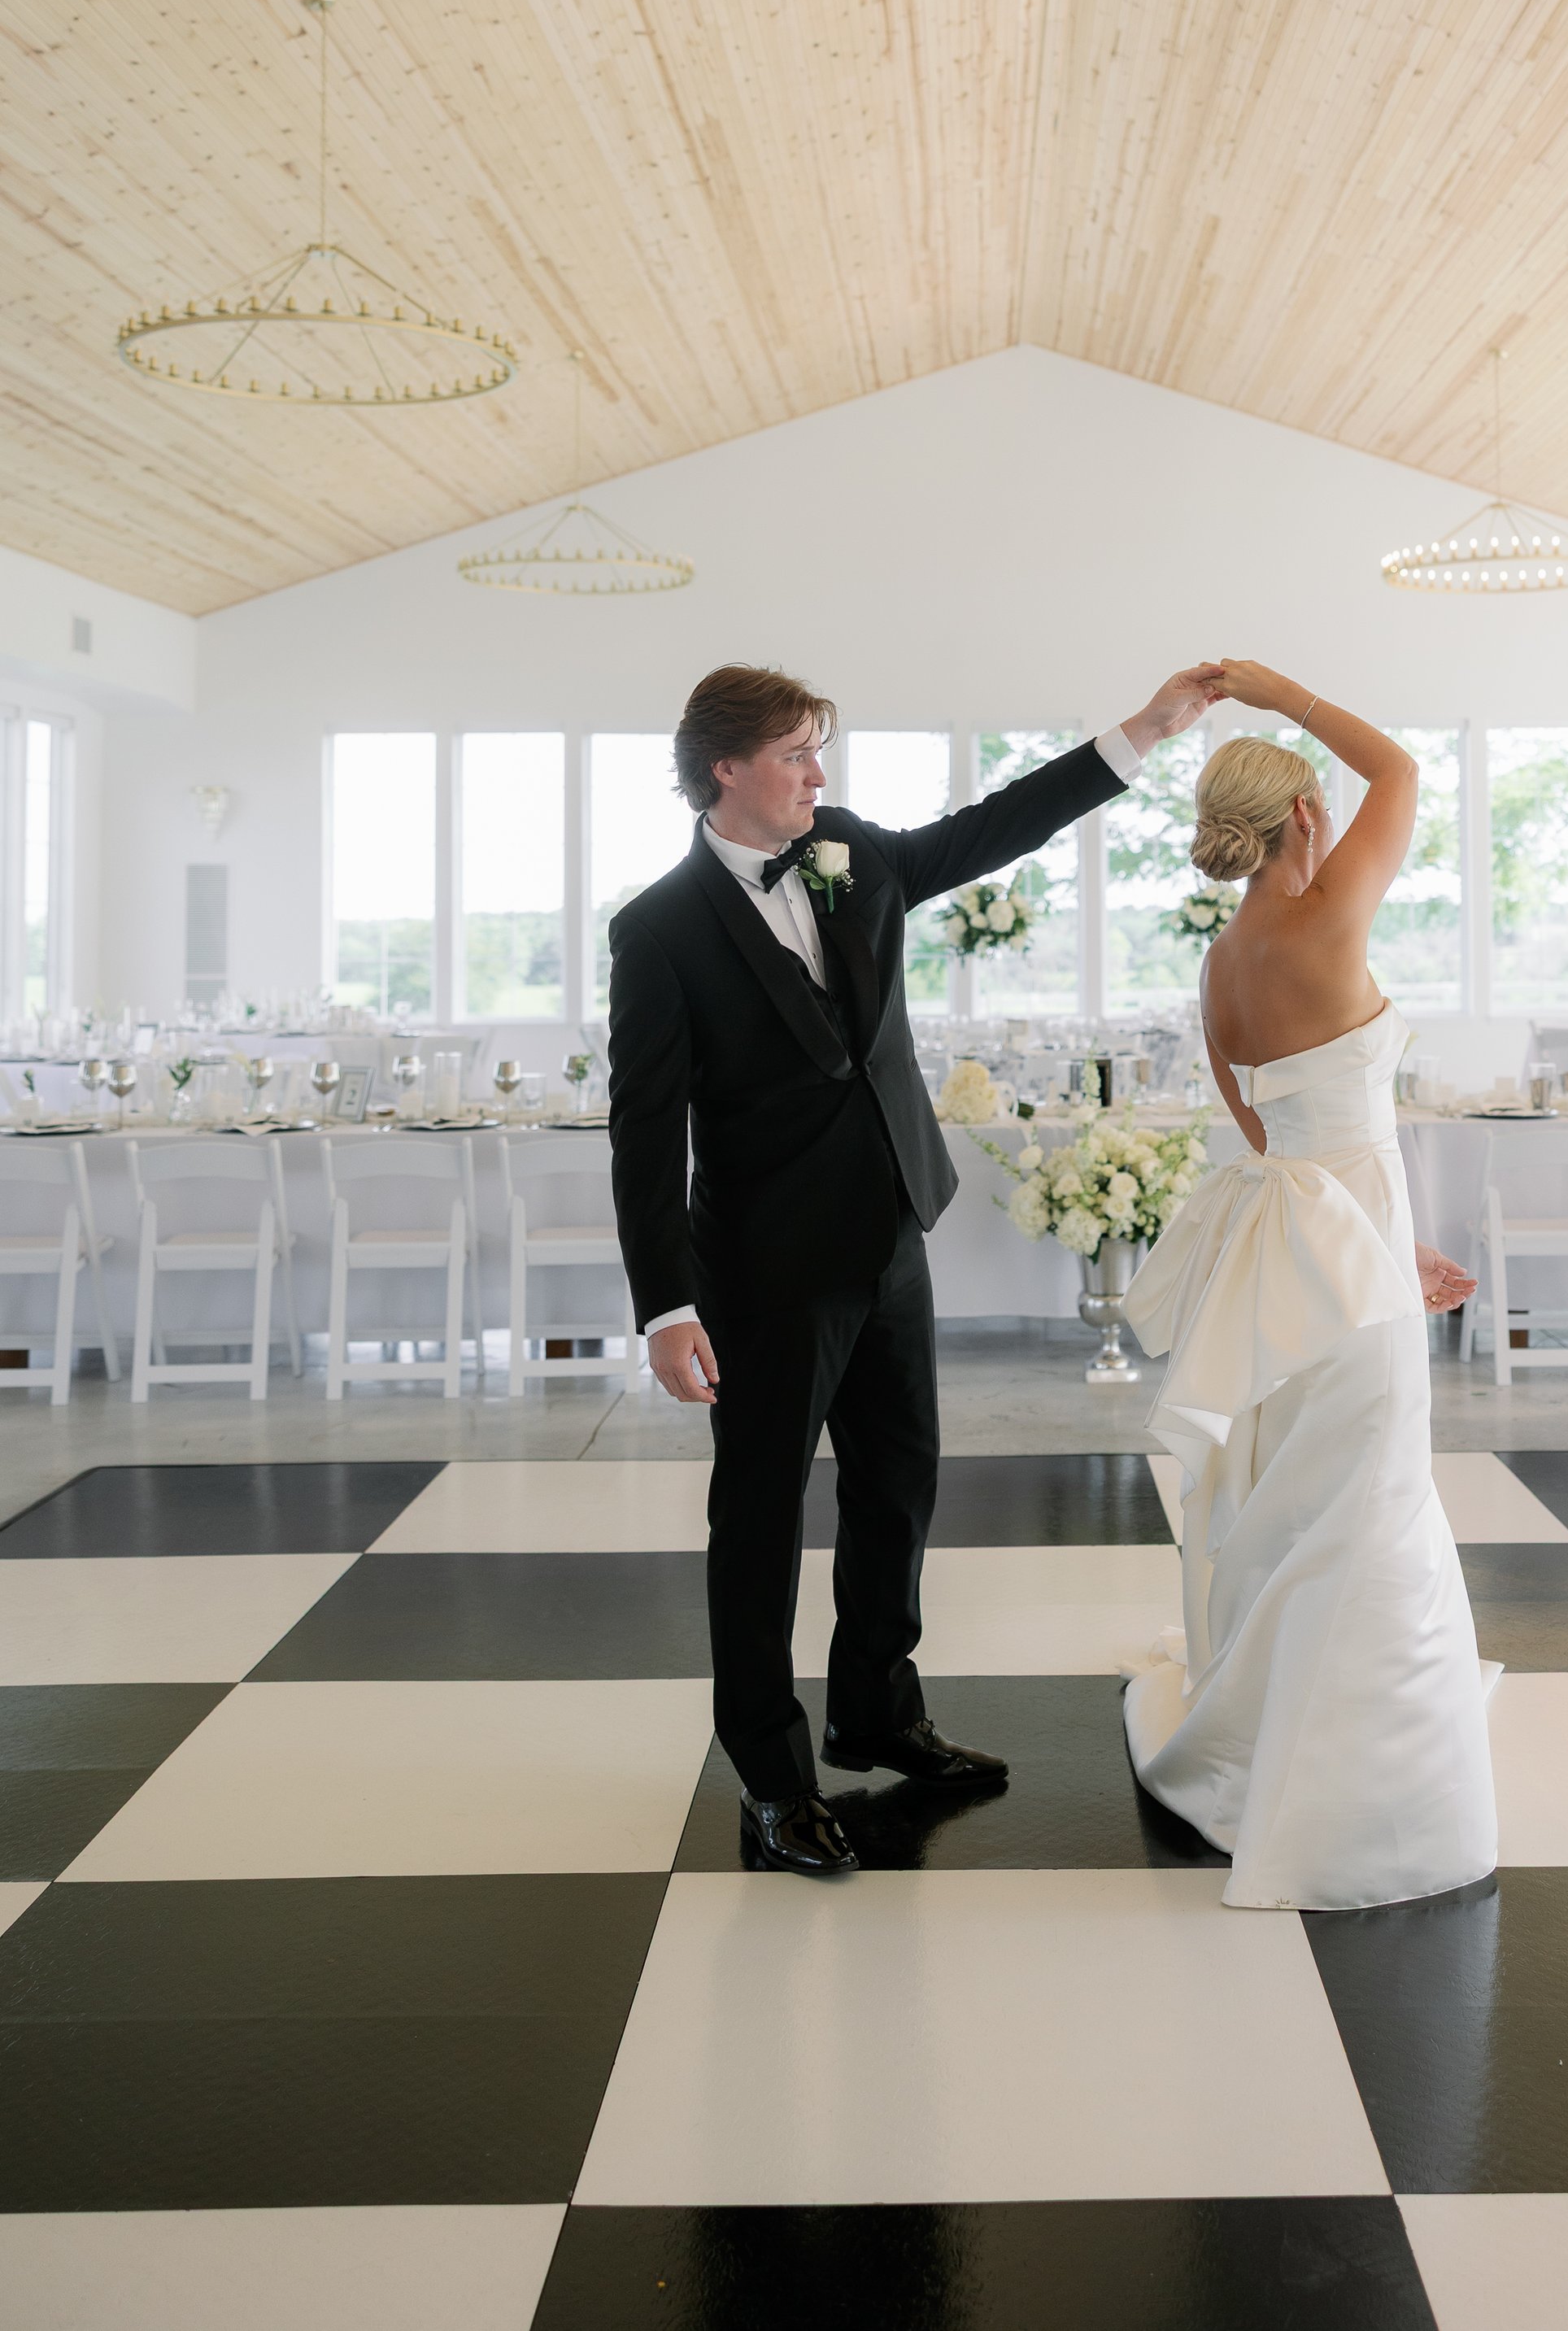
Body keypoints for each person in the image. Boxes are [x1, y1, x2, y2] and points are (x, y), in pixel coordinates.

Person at [608, 658, 1222, 1877]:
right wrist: (665, 1300)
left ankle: (878, 1713)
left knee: (899, 1489)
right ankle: (773, 1774)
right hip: (764, 1273)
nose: (817, 775)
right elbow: (643, 1128)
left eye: (817, 751)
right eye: (795, 753)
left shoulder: (849, 848)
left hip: (892, 1239)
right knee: (763, 1519)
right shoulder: (659, 928)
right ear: (725, 768)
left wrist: (1144, 733)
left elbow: (993, 828)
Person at [1121, 663, 1498, 1911]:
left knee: (1294, 1490)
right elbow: (1403, 767)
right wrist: (1279, 691)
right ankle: (1361, 1789)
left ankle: (1262, 1736)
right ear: (1306, 820)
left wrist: (1399, 1247)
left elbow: (1278, 1142)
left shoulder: (1223, 967)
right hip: (1355, 1247)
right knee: (1373, 1489)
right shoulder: (1330, 913)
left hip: (1294, 1254)